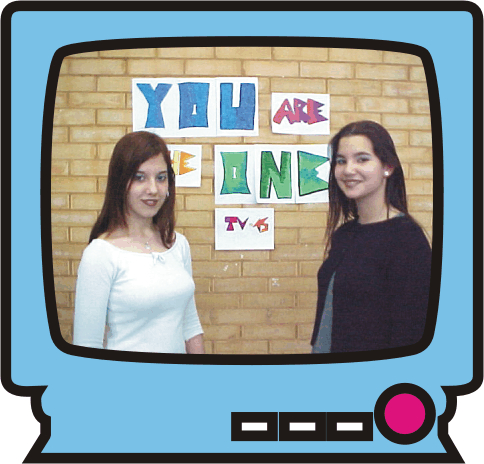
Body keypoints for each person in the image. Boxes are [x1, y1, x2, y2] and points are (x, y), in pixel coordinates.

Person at [73, 131, 204, 354]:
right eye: (139, 177)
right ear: (120, 183)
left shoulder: (178, 244)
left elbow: (190, 325)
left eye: (161, 178)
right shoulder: (100, 254)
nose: (153, 189)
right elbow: (87, 345)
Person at [311, 120, 431, 353]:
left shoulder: (406, 239)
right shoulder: (344, 235)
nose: (348, 170)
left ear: (388, 167)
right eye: (341, 161)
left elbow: (413, 330)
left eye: (362, 159)